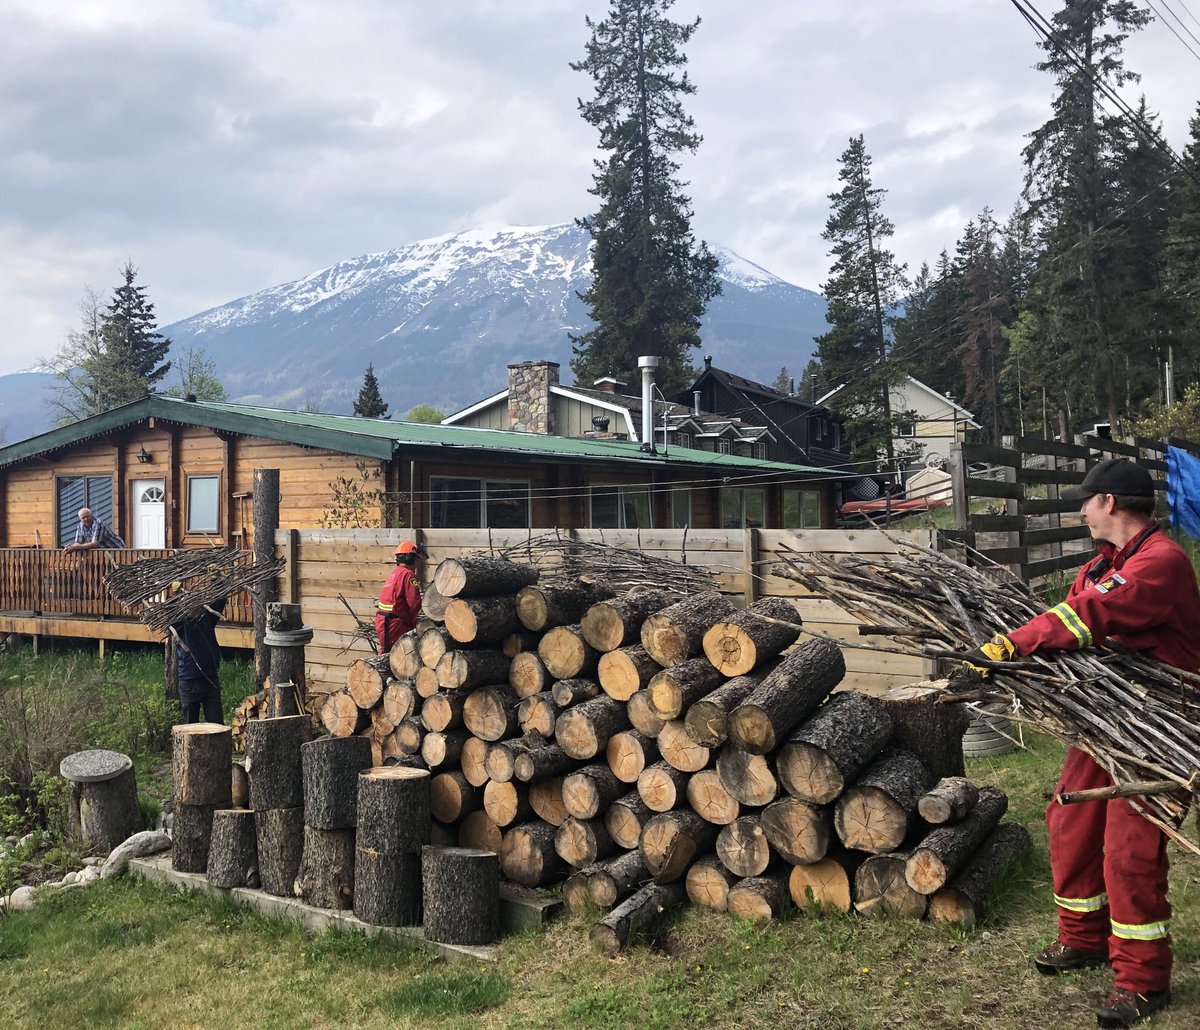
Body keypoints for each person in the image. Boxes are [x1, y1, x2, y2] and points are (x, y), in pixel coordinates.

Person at [963, 458, 1200, 1029]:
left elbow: (1092, 613)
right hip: (1108, 717)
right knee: (1068, 818)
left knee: (1129, 848)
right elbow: (1074, 616)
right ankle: (1083, 938)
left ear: (1112, 503)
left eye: (1087, 500)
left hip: (1158, 729)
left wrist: (1011, 645)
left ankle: (1144, 981)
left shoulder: (1161, 562)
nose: (1080, 509)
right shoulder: (1103, 565)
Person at [172, 595, 227, 724]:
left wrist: (216, 578)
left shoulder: (207, 619)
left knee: (216, 724)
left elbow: (220, 599)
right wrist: (174, 597)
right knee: (190, 727)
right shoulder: (180, 624)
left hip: (210, 679)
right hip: (190, 681)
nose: (196, 608)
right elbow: (169, 618)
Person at [375, 540, 426, 654]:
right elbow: (414, 604)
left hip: (384, 621)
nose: (418, 564)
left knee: (387, 654)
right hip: (394, 623)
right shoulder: (409, 575)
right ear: (411, 558)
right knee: (399, 657)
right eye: (417, 560)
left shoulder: (395, 573)